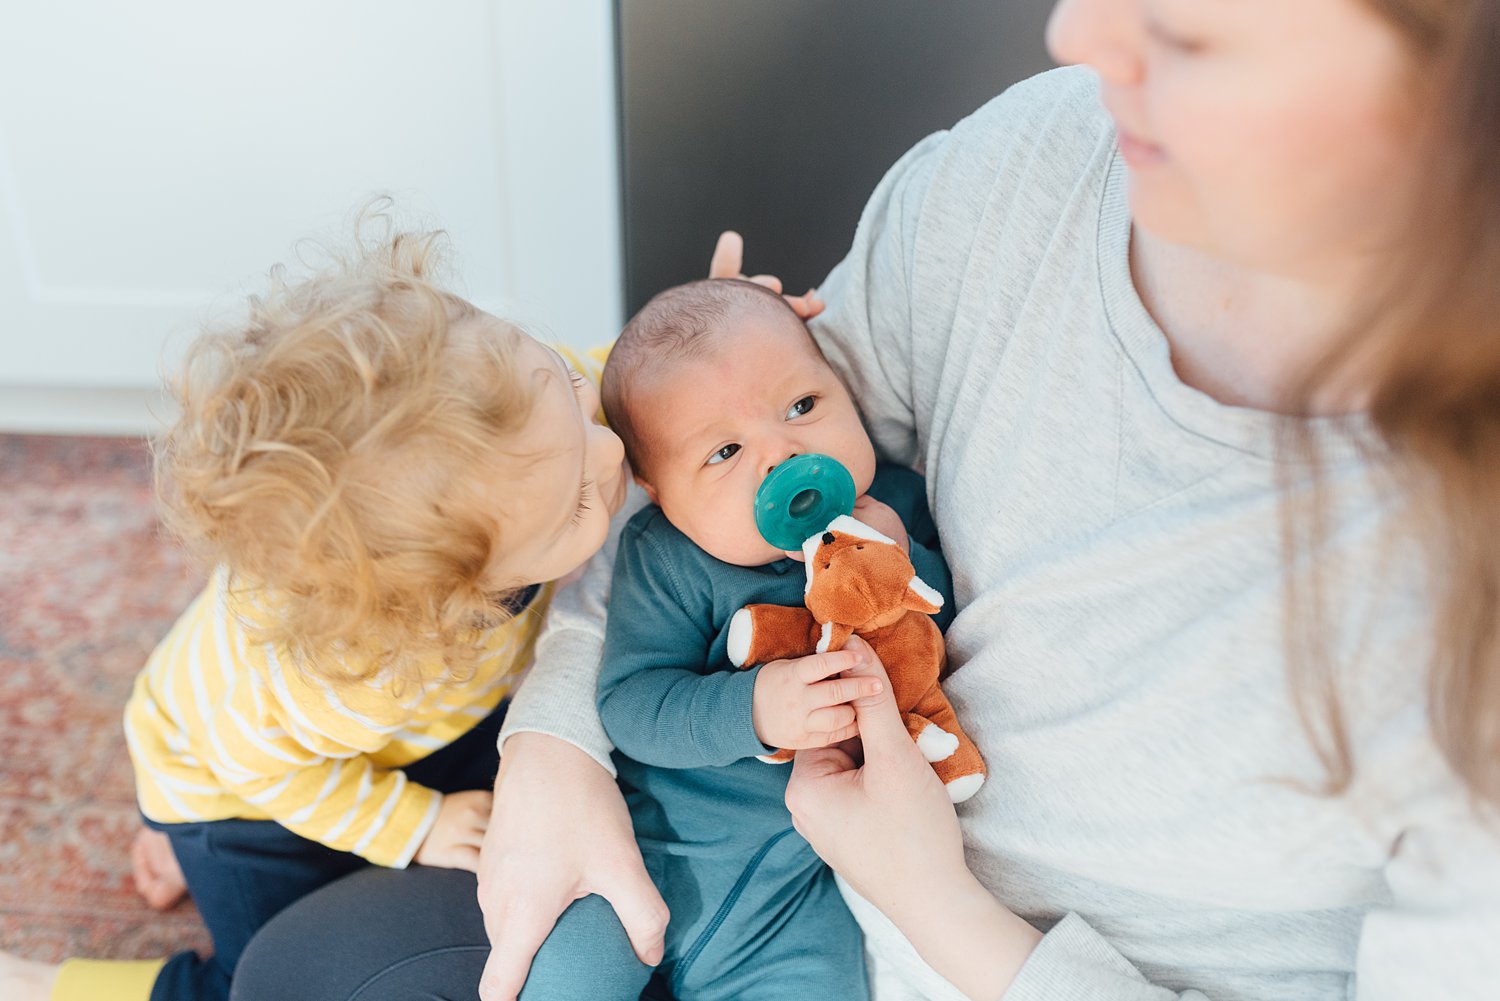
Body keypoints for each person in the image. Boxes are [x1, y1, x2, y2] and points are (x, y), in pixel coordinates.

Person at [229, 0, 1500, 998]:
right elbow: (695, 493)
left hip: (1011, 968)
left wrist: (941, 904)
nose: (1076, 33)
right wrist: (556, 740)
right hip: (755, 869)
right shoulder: (1027, 170)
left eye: (1200, 25)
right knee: (316, 968)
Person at [0, 219, 639, 1001]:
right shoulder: (333, 687)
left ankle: (173, 847)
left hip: (420, 724)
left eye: (568, 394)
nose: (609, 452)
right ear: (445, 600)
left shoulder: (519, 418)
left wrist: (704, 343)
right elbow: (277, 775)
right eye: (577, 504)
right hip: (241, 792)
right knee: (265, 973)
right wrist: (416, 826)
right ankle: (56, 977)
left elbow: (606, 379)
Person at [515, 278, 957, 1000]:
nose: (783, 454)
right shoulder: (665, 557)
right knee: (565, 978)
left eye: (803, 406)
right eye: (724, 450)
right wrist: (754, 707)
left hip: (794, 903)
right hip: (646, 856)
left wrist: (905, 560)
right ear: (657, 490)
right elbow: (631, 702)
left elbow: (935, 637)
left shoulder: (898, 506)